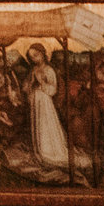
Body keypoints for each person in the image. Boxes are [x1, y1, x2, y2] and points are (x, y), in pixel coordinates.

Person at [25, 42, 69, 175]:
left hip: (45, 104)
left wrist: (42, 83)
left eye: (36, 55)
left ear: (43, 55)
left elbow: (53, 90)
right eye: (31, 57)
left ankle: (50, 152)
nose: (34, 59)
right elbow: (30, 86)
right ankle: (40, 151)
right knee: (38, 127)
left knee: (46, 127)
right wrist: (28, 87)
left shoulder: (49, 70)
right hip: (36, 103)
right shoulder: (33, 70)